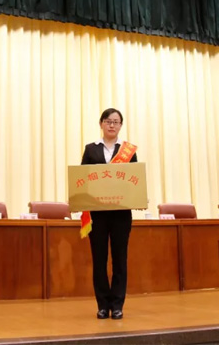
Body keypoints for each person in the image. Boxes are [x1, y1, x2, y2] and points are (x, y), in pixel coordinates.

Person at [81, 108, 137, 320]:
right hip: (97, 214)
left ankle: (118, 304)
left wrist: (138, 199)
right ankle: (103, 305)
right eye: (108, 121)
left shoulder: (128, 151)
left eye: (115, 121)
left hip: (121, 214)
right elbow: (82, 178)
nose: (111, 125)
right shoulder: (90, 149)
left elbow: (134, 181)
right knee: (99, 260)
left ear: (120, 125)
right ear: (101, 124)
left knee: (120, 260)